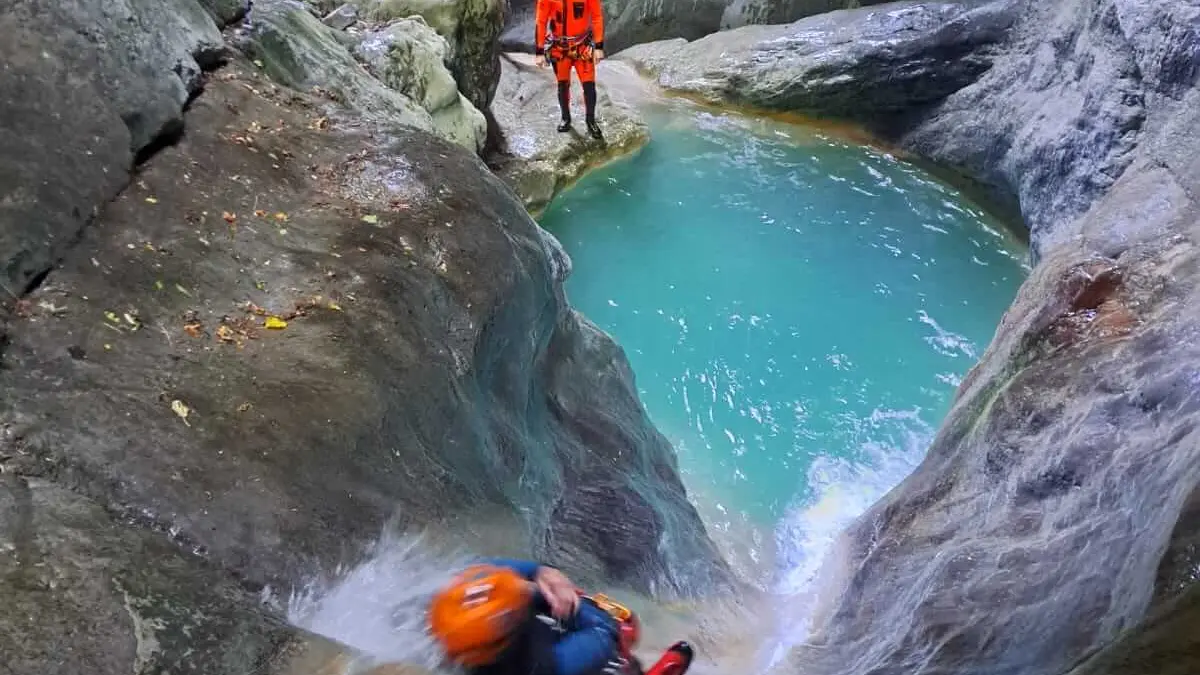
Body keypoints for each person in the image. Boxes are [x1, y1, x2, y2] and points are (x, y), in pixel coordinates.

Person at [428, 558, 694, 675]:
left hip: (519, 643)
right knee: (624, 630)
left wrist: (539, 572)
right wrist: (562, 600)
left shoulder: (448, 621)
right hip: (577, 654)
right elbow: (604, 632)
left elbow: (479, 567)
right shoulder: (549, 666)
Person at [532, 0, 606, 139]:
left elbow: (597, 17)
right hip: (559, 47)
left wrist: (599, 46)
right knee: (562, 84)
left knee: (589, 85)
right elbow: (540, 21)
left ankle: (590, 121)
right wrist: (539, 52)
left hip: (583, 45)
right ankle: (565, 118)